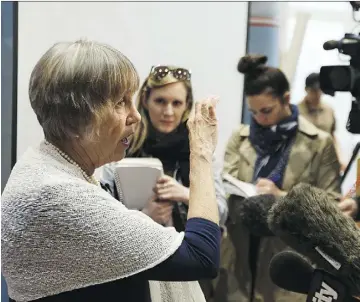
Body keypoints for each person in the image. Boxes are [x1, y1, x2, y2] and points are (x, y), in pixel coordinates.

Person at [1, 40, 221, 302]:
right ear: (77, 116)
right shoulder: (53, 193)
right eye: (120, 102)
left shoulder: (51, 167)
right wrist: (202, 154)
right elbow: (202, 256)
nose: (135, 116)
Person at [211, 55, 341, 302]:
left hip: (287, 267)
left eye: (267, 111)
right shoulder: (240, 138)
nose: (260, 119)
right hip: (238, 262)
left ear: (286, 99)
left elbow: (334, 207)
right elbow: (224, 189)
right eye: (253, 112)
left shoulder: (319, 143)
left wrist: (282, 197)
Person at [101, 65, 228, 231]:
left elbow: (222, 213)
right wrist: (144, 216)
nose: (168, 112)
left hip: (189, 249)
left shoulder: (199, 150)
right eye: (160, 101)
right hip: (137, 249)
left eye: (176, 103)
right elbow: (104, 216)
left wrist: (186, 194)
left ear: (187, 105)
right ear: (146, 101)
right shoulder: (121, 148)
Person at [298, 72, 346, 171]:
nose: (318, 94)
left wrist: (340, 158)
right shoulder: (296, 112)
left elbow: (332, 136)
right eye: (314, 91)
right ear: (306, 90)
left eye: (320, 90)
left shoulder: (329, 110)